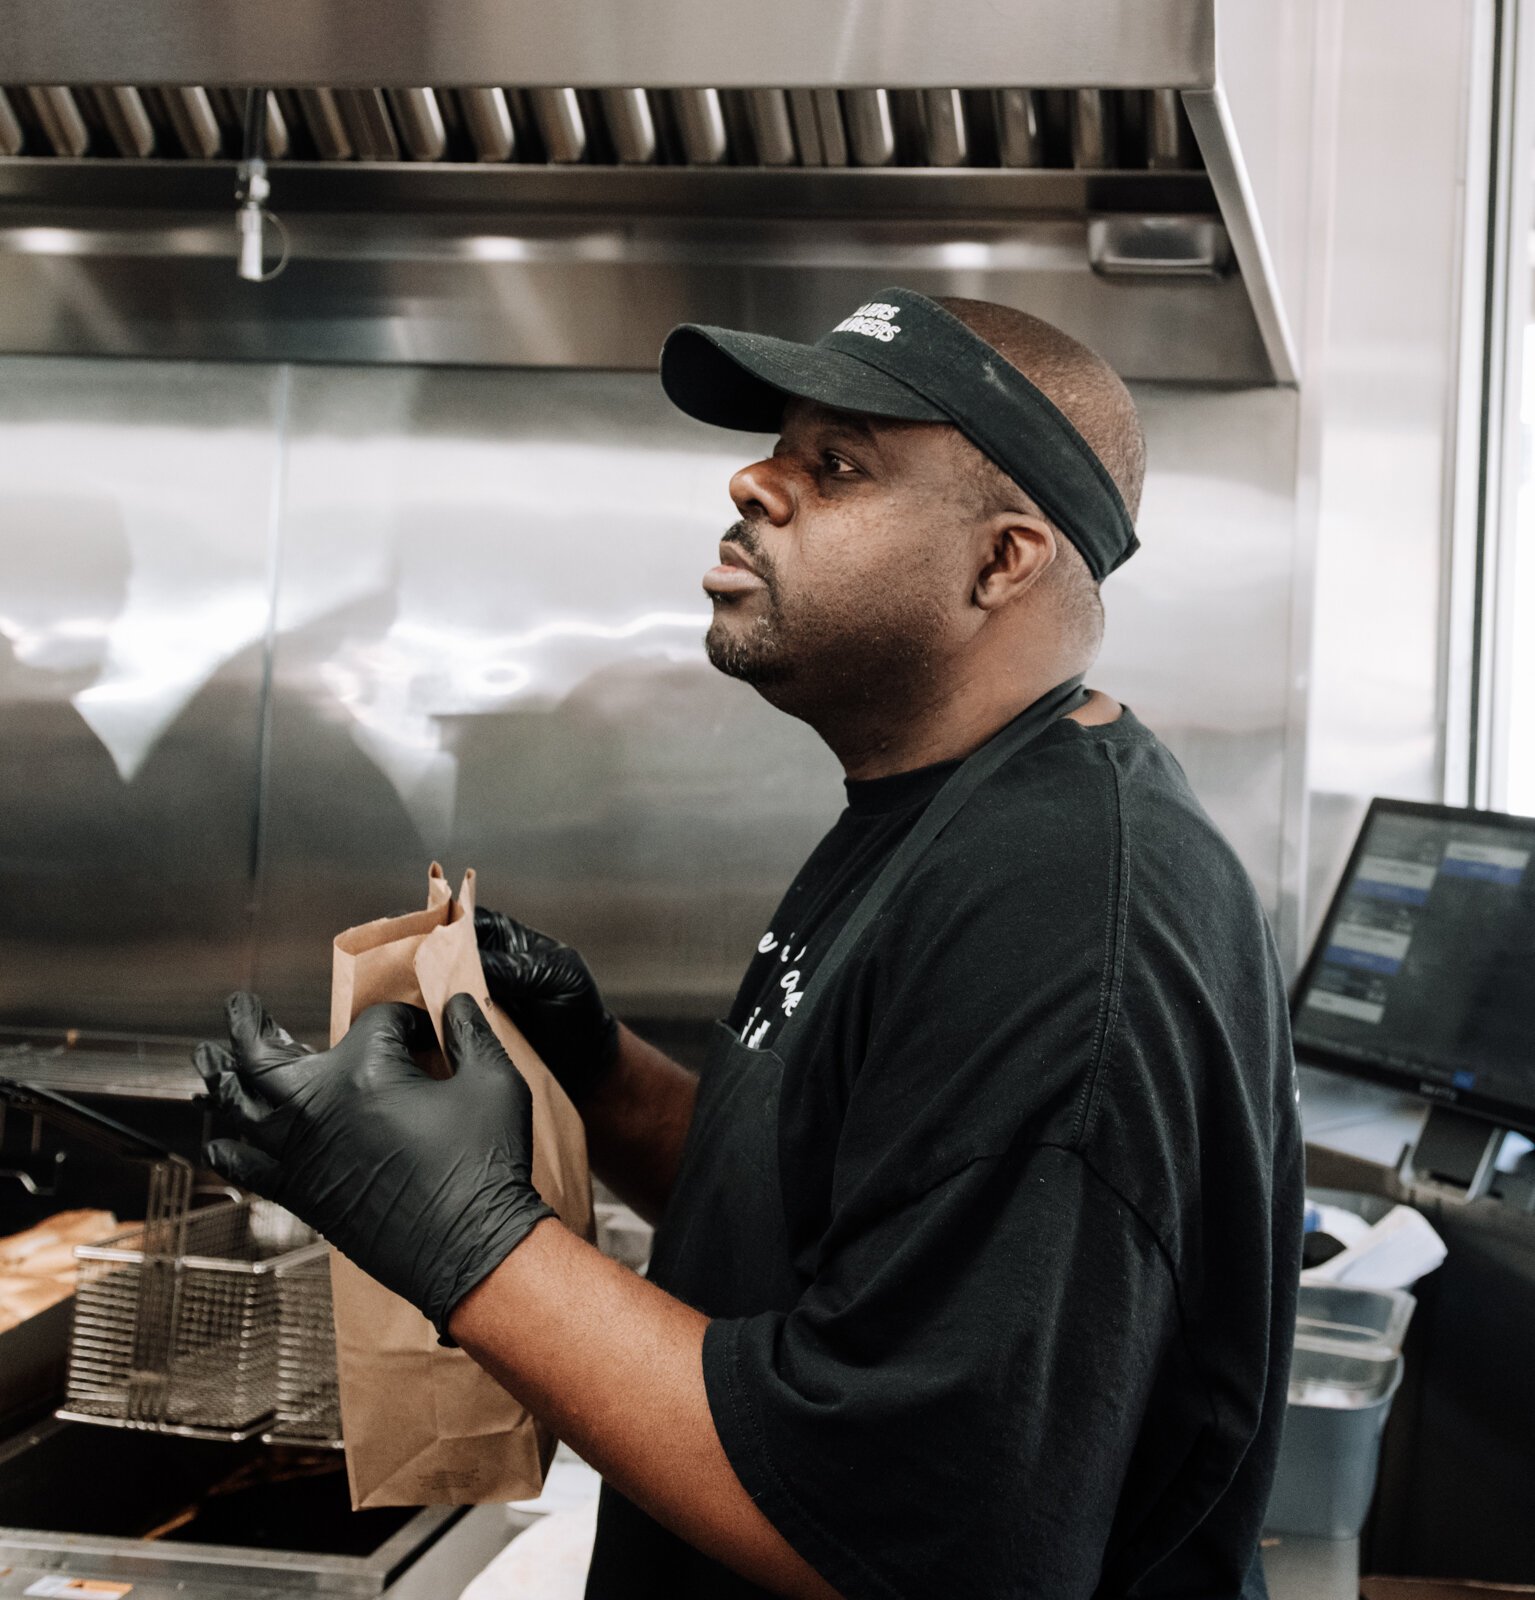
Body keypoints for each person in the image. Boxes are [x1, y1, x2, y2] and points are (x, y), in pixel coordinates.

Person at [196, 288, 1303, 1600]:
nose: (751, 480)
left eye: (836, 466)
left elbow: (908, 1532)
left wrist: (444, 1226)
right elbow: (857, 1214)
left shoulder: (1059, 909)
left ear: (1005, 560)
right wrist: (601, 1077)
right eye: (781, 445)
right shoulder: (944, 815)